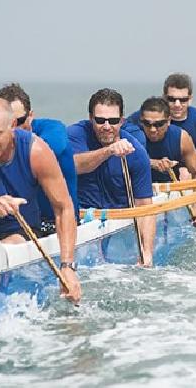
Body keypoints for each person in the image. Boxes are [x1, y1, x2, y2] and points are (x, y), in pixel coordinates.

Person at [0, 97, 81, 302]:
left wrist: (67, 266)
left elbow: (63, 208)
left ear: (12, 126)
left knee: (10, 242)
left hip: (20, 231)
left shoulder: (36, 151)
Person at [67, 88, 156, 265]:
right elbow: (73, 165)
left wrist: (146, 252)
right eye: (100, 120)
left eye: (113, 121)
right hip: (83, 219)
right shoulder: (76, 134)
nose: (106, 126)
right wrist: (108, 151)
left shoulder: (136, 153)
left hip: (117, 223)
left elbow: (145, 208)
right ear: (91, 118)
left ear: (122, 121)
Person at [0, 83, 79, 226]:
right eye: (7, 123)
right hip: (18, 224)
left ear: (31, 116)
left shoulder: (53, 128)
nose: (13, 129)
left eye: (19, 121)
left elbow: (53, 147)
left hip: (57, 223)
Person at [128, 73, 196, 170]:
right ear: (164, 97)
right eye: (172, 99)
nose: (177, 104)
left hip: (191, 179)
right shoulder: (144, 117)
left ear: (190, 99)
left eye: (183, 100)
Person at [138, 96, 196, 227]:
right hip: (140, 191)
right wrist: (152, 163)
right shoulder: (133, 136)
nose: (152, 129)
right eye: (147, 124)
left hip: (168, 186)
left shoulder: (181, 138)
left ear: (168, 121)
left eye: (158, 124)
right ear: (141, 121)